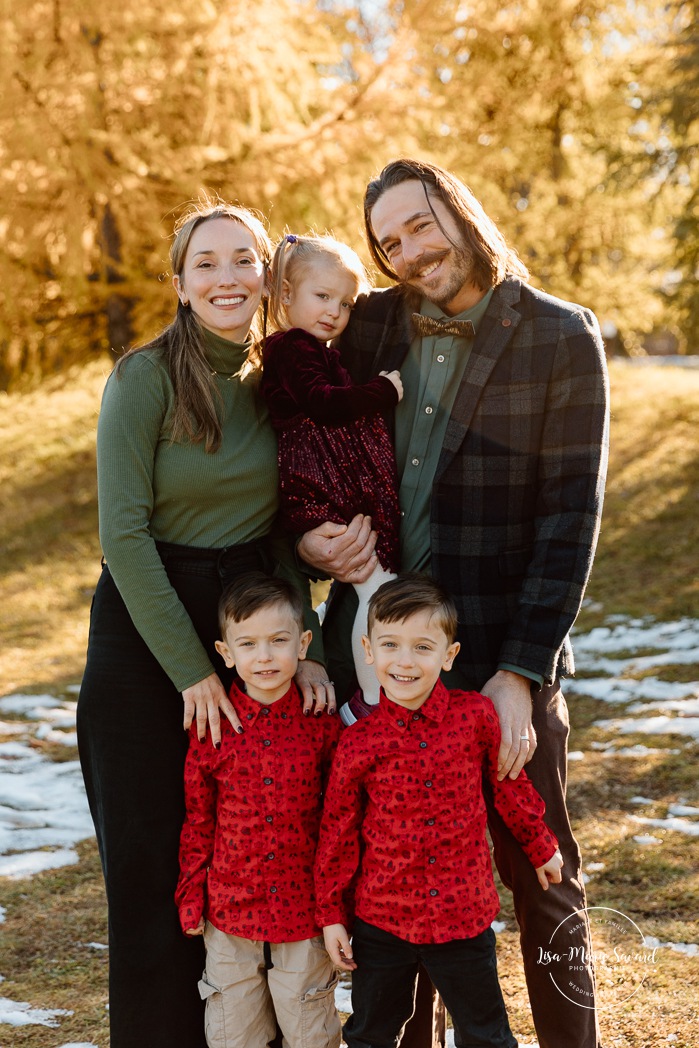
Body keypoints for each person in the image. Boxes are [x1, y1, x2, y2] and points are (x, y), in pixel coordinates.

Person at [298, 158, 610, 1048]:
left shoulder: (559, 336)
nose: (408, 251)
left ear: (458, 212)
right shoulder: (366, 330)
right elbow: (299, 447)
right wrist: (307, 537)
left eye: (418, 225)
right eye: (387, 242)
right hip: (381, 657)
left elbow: (568, 519)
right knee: (395, 886)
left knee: (542, 878)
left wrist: (519, 673)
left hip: (503, 657)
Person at [77, 201, 334, 1048]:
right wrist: (193, 672)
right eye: (206, 264)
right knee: (151, 868)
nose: (227, 278)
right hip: (148, 634)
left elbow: (279, 526)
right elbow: (124, 534)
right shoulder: (143, 377)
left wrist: (302, 647)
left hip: (250, 626)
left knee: (245, 859)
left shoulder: (274, 382)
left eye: (243, 261)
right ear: (181, 284)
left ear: (266, 275)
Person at [315, 574, 564, 1048]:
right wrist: (331, 914)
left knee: (485, 1032)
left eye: (422, 647)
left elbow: (507, 786)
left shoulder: (474, 717)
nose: (404, 662)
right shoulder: (358, 742)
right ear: (368, 650)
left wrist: (539, 843)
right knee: (371, 1033)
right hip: (382, 919)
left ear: (449, 655)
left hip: (462, 916)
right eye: (390, 645)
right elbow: (338, 833)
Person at [176, 573, 342, 1048]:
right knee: (233, 1033)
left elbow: (339, 822)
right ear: (226, 653)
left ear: (303, 643)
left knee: (311, 1031)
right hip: (230, 908)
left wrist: (334, 904)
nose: (264, 656)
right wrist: (191, 893)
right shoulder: (213, 729)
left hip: (304, 911)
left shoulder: (322, 725)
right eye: (248, 644)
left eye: (278, 641)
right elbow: (198, 818)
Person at [262, 233, 403, 711]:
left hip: (333, 480)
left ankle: (373, 697)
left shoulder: (315, 349)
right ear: (285, 295)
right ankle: (369, 700)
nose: (334, 312)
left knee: (377, 588)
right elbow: (324, 405)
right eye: (321, 297)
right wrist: (383, 391)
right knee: (377, 593)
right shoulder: (291, 348)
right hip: (321, 482)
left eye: (344, 303)